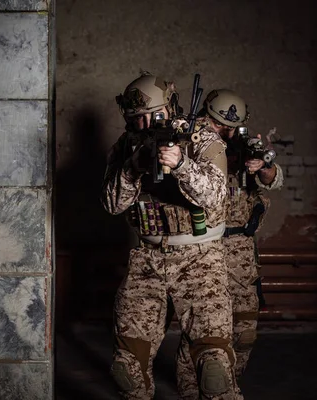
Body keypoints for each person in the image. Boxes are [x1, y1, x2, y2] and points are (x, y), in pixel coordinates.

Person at [100, 71, 243, 399]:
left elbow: (215, 196)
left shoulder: (201, 136)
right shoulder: (125, 147)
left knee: (214, 369)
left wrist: (181, 165)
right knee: (127, 368)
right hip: (147, 259)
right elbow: (112, 203)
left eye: (157, 115)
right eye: (139, 119)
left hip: (200, 259)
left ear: (172, 108)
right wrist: (133, 167)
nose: (148, 125)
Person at [175, 89, 284, 399]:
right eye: (221, 125)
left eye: (232, 127)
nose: (227, 133)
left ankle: (224, 384)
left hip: (241, 250)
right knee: (203, 327)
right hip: (205, 248)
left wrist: (260, 166)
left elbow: (273, 177)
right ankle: (190, 389)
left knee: (245, 329)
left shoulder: (243, 147)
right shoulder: (197, 146)